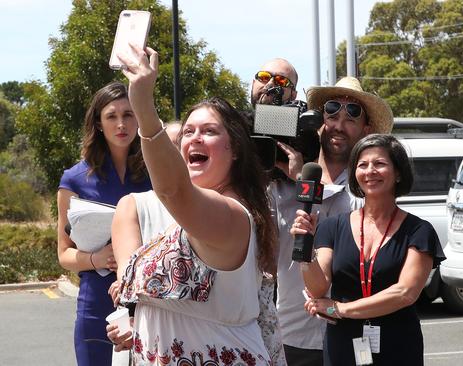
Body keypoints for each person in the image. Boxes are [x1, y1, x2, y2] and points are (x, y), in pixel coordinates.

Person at [107, 46, 277, 365]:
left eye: (209, 131)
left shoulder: (233, 215)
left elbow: (172, 190)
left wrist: (142, 105)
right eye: (188, 131)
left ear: (236, 148)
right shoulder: (183, 219)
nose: (194, 138)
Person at [290, 134, 443, 366]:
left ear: (398, 172)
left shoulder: (419, 230)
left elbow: (405, 293)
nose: (370, 171)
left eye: (379, 164)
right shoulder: (333, 226)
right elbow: (318, 286)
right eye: (362, 165)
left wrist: (341, 309)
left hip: (397, 345)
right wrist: (305, 250)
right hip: (342, 344)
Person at [272, 76, 394, 365]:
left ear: (366, 128)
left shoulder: (369, 184)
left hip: (349, 331)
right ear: (320, 121)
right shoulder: (281, 182)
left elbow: (358, 232)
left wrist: (306, 183)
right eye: (332, 111)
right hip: (291, 332)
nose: (340, 124)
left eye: (352, 115)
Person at [56, 81, 152, 366]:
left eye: (129, 114)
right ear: (98, 123)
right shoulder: (74, 179)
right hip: (95, 308)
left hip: (149, 307)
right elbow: (64, 254)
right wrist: (97, 258)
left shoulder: (155, 173)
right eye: (112, 116)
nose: (121, 124)